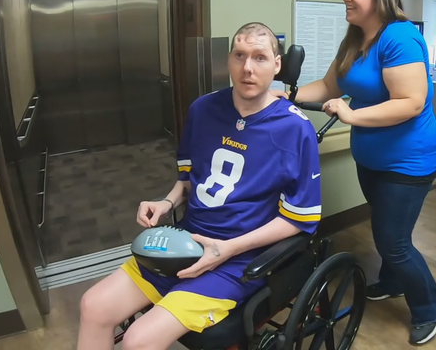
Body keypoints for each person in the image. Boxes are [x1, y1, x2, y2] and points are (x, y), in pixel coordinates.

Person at [77, 22, 322, 350]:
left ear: (277, 66)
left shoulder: (295, 129)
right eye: (240, 55)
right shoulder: (203, 109)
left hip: (237, 260)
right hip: (186, 243)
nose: (247, 68)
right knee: (92, 305)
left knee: (137, 340)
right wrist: (167, 202)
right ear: (229, 60)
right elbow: (190, 178)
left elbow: (298, 219)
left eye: (260, 58)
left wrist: (227, 249)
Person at [272, 0, 436, 345]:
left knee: (394, 242)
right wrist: (289, 97)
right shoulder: (355, 38)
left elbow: (411, 102)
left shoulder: (399, 38)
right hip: (372, 158)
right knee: (388, 229)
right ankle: (392, 281)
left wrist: (351, 113)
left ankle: (430, 306)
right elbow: (329, 85)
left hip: (409, 160)